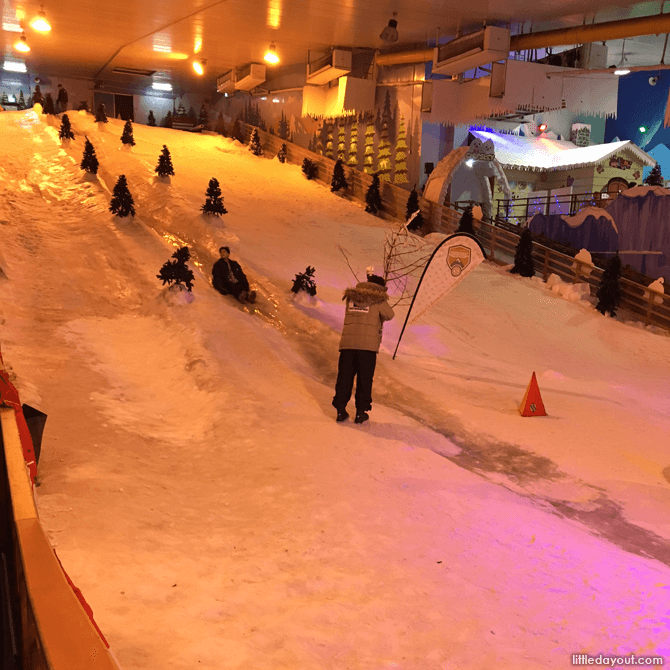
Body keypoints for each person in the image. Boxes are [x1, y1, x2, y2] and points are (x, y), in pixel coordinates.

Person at [332, 274, 394, 424]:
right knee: (364, 379)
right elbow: (389, 315)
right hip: (367, 348)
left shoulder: (351, 297)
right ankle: (360, 412)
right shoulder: (379, 300)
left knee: (344, 377)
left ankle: (341, 410)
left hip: (347, 345)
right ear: (380, 288)